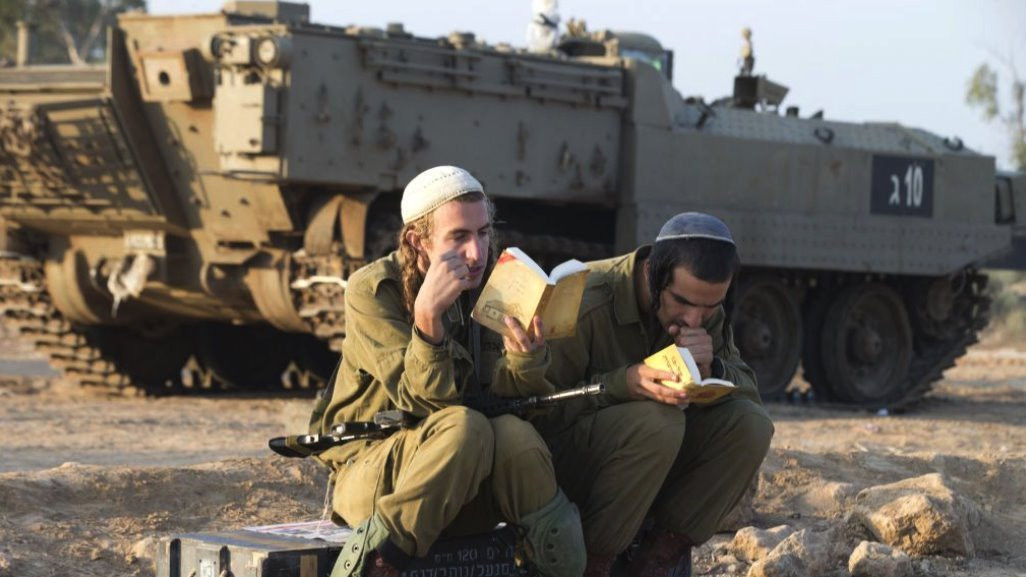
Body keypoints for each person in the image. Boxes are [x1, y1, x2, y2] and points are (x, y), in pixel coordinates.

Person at [316, 166, 586, 577]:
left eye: (483, 233)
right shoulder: (374, 292)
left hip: (465, 483)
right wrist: (427, 323)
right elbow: (428, 405)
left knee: (517, 435)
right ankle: (378, 566)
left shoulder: (499, 284)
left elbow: (511, 406)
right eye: (458, 237)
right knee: (466, 428)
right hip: (381, 478)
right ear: (417, 242)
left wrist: (525, 359)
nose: (477, 253)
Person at [538, 212, 775, 577]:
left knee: (751, 424)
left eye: (709, 307)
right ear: (652, 273)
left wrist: (713, 371)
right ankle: (594, 565)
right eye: (683, 302)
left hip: (643, 470)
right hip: (562, 467)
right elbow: (539, 411)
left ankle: (657, 558)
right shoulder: (584, 296)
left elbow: (747, 389)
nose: (695, 319)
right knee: (657, 420)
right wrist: (623, 384)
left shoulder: (700, 304)